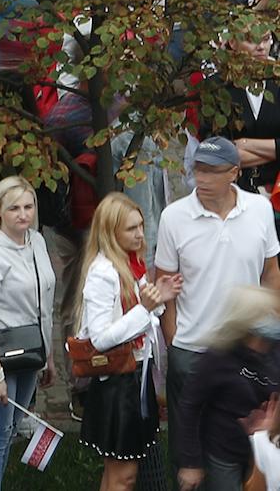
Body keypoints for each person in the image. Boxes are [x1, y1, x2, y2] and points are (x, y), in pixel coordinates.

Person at [156, 136, 279, 427]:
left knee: (242, 445)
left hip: (245, 351)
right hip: (192, 349)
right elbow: (164, 284)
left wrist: (270, 325)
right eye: (198, 169)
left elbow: (271, 271)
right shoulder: (173, 217)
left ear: (234, 172)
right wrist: (174, 342)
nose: (202, 178)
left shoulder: (260, 209)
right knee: (189, 448)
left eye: (212, 170)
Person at [0, 177, 59, 491]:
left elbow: (45, 304)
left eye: (28, 206)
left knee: (10, 432)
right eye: (14, 208)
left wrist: (49, 356)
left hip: (31, 350)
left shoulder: (37, 241)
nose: (23, 214)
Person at [76, 193, 168, 491]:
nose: (140, 233)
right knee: (123, 476)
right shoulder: (103, 273)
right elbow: (101, 338)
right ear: (110, 231)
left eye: (141, 225)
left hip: (135, 375)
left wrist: (157, 299)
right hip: (117, 384)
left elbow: (148, 312)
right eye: (131, 228)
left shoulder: (132, 264)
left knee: (123, 473)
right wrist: (146, 308)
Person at [175, 286, 280, 491]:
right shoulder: (217, 357)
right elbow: (189, 407)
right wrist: (190, 463)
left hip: (267, 450)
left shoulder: (275, 351)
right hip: (225, 453)